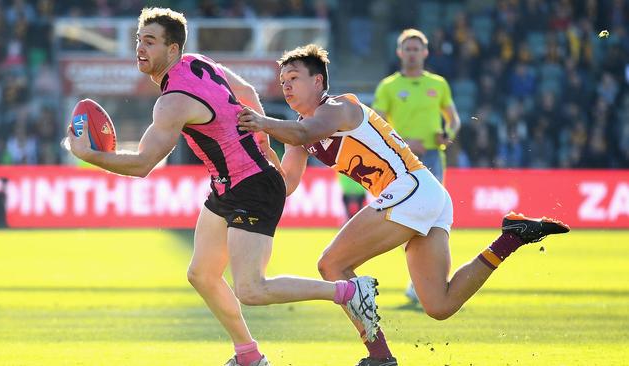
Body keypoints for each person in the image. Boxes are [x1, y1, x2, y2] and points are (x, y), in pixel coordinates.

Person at [65, 8, 381, 366]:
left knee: (251, 288)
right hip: (229, 186)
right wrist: (262, 139)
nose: (140, 48)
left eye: (149, 42)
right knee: (201, 274)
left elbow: (142, 164)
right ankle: (248, 355)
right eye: (139, 40)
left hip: (252, 187)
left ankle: (348, 291)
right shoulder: (198, 62)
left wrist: (88, 155)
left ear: (172, 50)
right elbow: (245, 91)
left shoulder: (172, 102)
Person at [237, 44, 570, 366]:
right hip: (426, 194)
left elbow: (302, 132)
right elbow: (288, 184)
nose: (286, 86)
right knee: (439, 304)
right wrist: (263, 150)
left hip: (411, 189)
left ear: (318, 81)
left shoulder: (338, 108)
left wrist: (263, 123)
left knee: (332, 265)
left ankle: (380, 356)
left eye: (293, 78)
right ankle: (511, 237)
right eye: (282, 82)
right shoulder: (301, 127)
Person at [372, 28, 461, 304]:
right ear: (400, 53)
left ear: (425, 52)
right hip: (402, 162)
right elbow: (378, 124)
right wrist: (404, 141)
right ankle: (419, 279)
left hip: (434, 157)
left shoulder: (439, 84)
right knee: (408, 219)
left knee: (435, 220)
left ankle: (420, 281)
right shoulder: (388, 86)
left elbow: (454, 119)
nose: (412, 54)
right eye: (407, 49)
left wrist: (449, 136)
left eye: (416, 49)